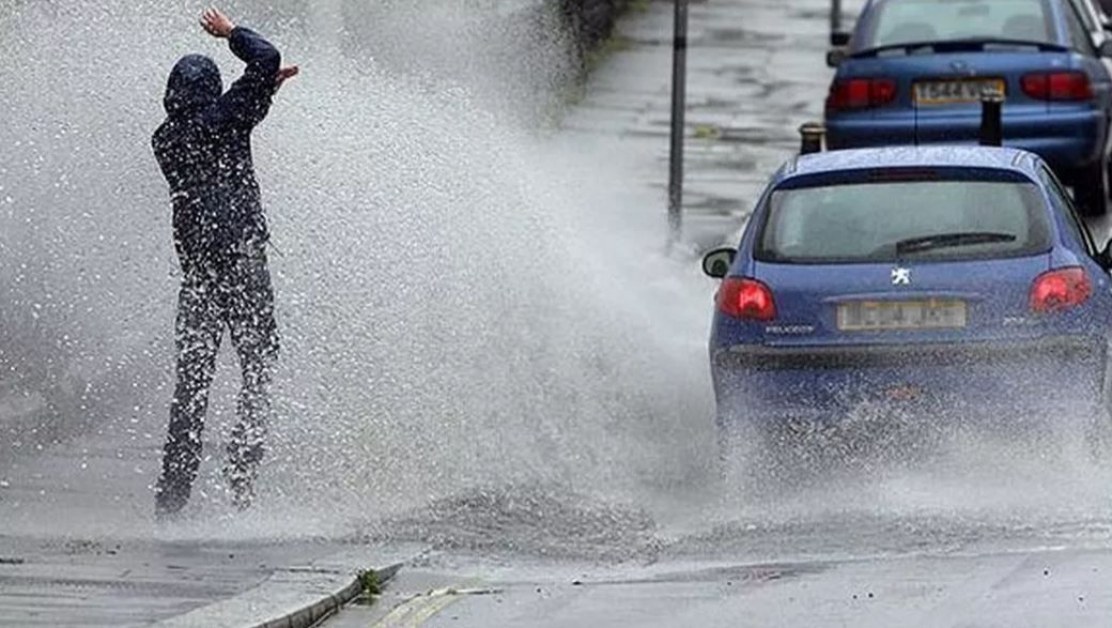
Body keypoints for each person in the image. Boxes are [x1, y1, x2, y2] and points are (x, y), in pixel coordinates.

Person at [152, 7, 298, 516]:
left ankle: (171, 503)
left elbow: (233, 122)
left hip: (198, 275)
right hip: (242, 262)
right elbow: (266, 58)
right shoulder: (223, 119)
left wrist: (263, 92)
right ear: (213, 89)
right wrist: (232, 33)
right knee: (257, 371)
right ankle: (241, 487)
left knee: (191, 385)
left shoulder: (165, 139)